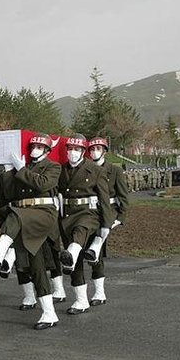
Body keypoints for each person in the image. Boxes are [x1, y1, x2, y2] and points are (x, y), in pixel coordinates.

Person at [0, 134, 63, 329]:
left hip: (42, 214)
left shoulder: (53, 166)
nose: (35, 149)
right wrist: (8, 170)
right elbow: (5, 193)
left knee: (13, 214)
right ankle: (49, 314)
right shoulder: (22, 167)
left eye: (40, 146)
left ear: (47, 151)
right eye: (33, 146)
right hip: (26, 218)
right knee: (36, 265)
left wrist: (20, 169)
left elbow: (42, 184)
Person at [57, 134, 113, 316]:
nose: (73, 153)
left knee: (86, 245)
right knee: (76, 263)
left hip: (89, 215)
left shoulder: (95, 170)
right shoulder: (61, 170)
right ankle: (81, 300)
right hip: (67, 215)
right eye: (70, 149)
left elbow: (105, 199)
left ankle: (99, 292)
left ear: (83, 152)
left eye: (77, 150)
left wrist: (106, 224)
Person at [79, 137, 130, 306]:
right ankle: (92, 293)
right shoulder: (85, 169)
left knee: (96, 251)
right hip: (90, 213)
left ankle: (99, 293)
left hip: (109, 213)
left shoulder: (114, 171)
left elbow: (123, 197)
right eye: (92, 149)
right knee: (88, 251)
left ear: (104, 151)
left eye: (98, 149)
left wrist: (119, 218)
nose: (94, 152)